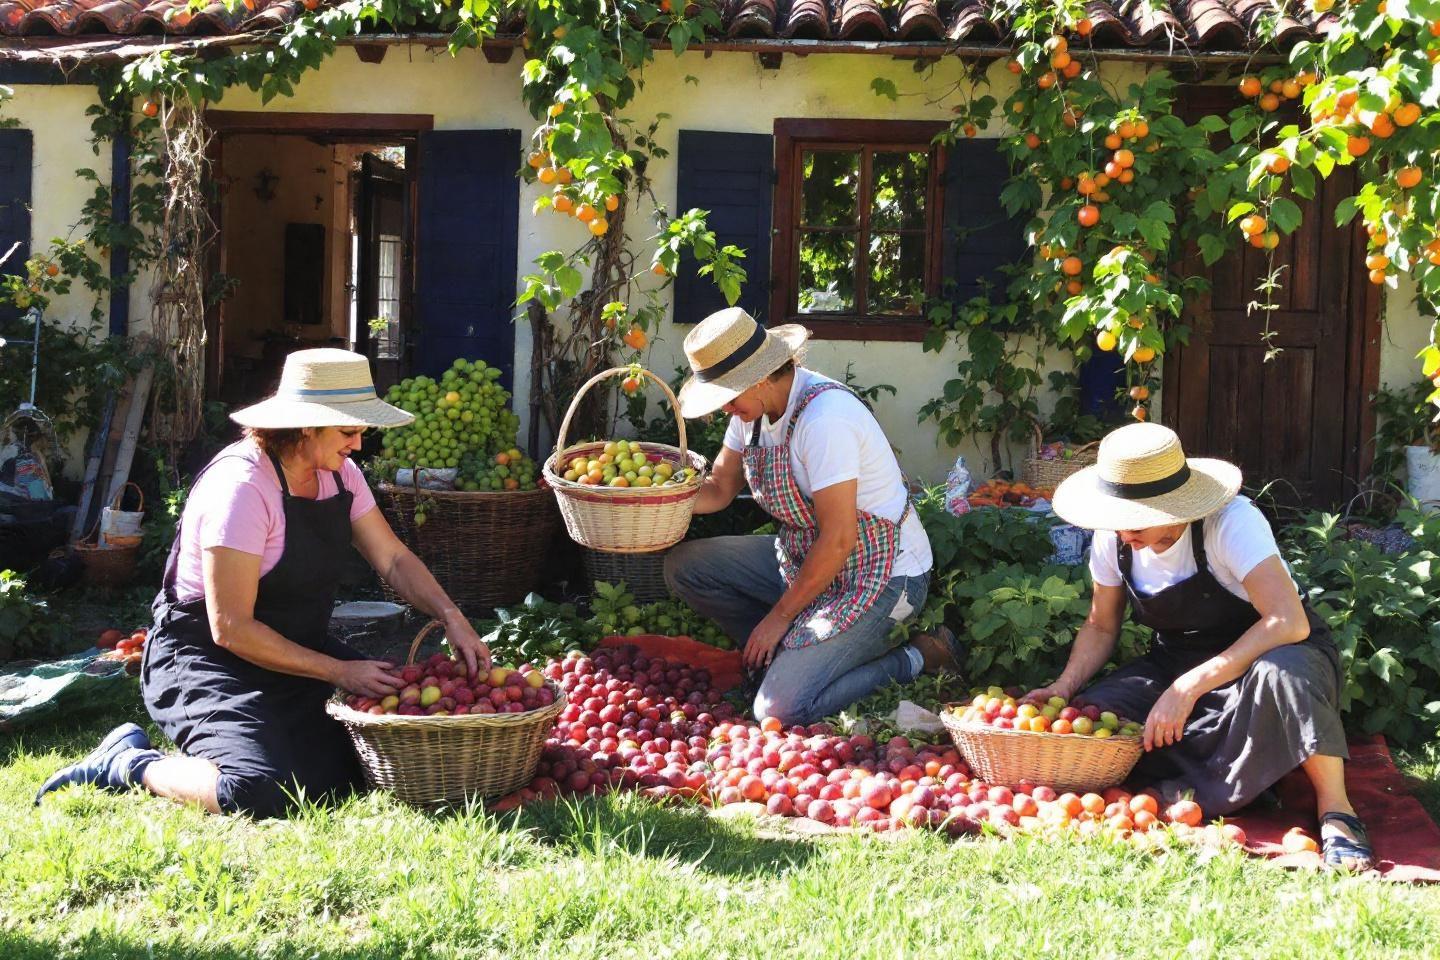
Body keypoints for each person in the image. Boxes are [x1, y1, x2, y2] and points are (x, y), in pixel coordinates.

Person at [36, 349, 491, 817]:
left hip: (295, 654)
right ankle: (129, 762)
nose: (358, 445)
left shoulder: (343, 477)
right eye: (348, 432)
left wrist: (450, 616)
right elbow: (230, 627)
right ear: (308, 426)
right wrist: (338, 671)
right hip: (206, 659)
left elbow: (392, 558)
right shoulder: (242, 487)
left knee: (369, 759)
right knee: (256, 789)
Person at [1026, 422, 1372, 870]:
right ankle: (1250, 777)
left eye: (1135, 522)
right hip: (1176, 659)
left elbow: (1288, 620)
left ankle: (1337, 810)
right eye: (1117, 520)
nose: (1124, 534)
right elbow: (1100, 626)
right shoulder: (1115, 538)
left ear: (1173, 506)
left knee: (1287, 677)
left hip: (1269, 653)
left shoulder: (1231, 523)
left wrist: (1188, 688)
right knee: (1099, 712)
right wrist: (1064, 687)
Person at [664, 307, 961, 726]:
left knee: (778, 711)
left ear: (759, 378)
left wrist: (778, 617)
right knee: (686, 567)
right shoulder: (751, 415)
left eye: (728, 397)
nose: (725, 409)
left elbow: (839, 539)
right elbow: (719, 489)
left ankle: (919, 655)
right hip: (808, 560)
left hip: (882, 575)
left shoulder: (825, 419)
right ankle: (783, 656)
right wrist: (654, 499)